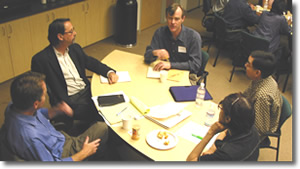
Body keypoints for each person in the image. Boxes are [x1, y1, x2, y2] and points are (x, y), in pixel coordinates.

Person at [31, 18, 119, 133]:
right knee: (102, 111)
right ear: (60, 37)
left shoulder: (74, 48)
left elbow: (90, 62)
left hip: (87, 89)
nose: (75, 33)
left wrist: (109, 72)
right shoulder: (41, 59)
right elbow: (35, 88)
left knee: (116, 99)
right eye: (71, 31)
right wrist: (57, 107)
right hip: (70, 100)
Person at [1, 72, 109, 161]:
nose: (46, 96)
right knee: (102, 127)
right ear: (36, 104)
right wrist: (84, 153)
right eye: (44, 95)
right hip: (61, 153)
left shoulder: (16, 105)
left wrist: (54, 111)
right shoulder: (31, 139)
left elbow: (38, 112)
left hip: (57, 137)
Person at [187, 93, 260, 161]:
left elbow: (190, 161)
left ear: (227, 119)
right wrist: (212, 149)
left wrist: (210, 132)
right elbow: (225, 132)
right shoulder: (249, 128)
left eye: (221, 108)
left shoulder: (225, 155)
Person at [144, 3, 202, 81]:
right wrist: (155, 52)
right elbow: (147, 56)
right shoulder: (160, 32)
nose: (173, 22)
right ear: (166, 18)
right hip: (164, 73)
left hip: (185, 75)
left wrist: (171, 65)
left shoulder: (193, 37)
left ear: (183, 19)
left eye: (176, 19)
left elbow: (195, 65)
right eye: (170, 18)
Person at [243, 50, 282, 142]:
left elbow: (260, 129)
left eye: (248, 64)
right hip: (252, 111)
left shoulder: (262, 96)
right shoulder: (263, 78)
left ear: (257, 73)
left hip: (256, 131)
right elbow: (246, 95)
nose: (245, 65)